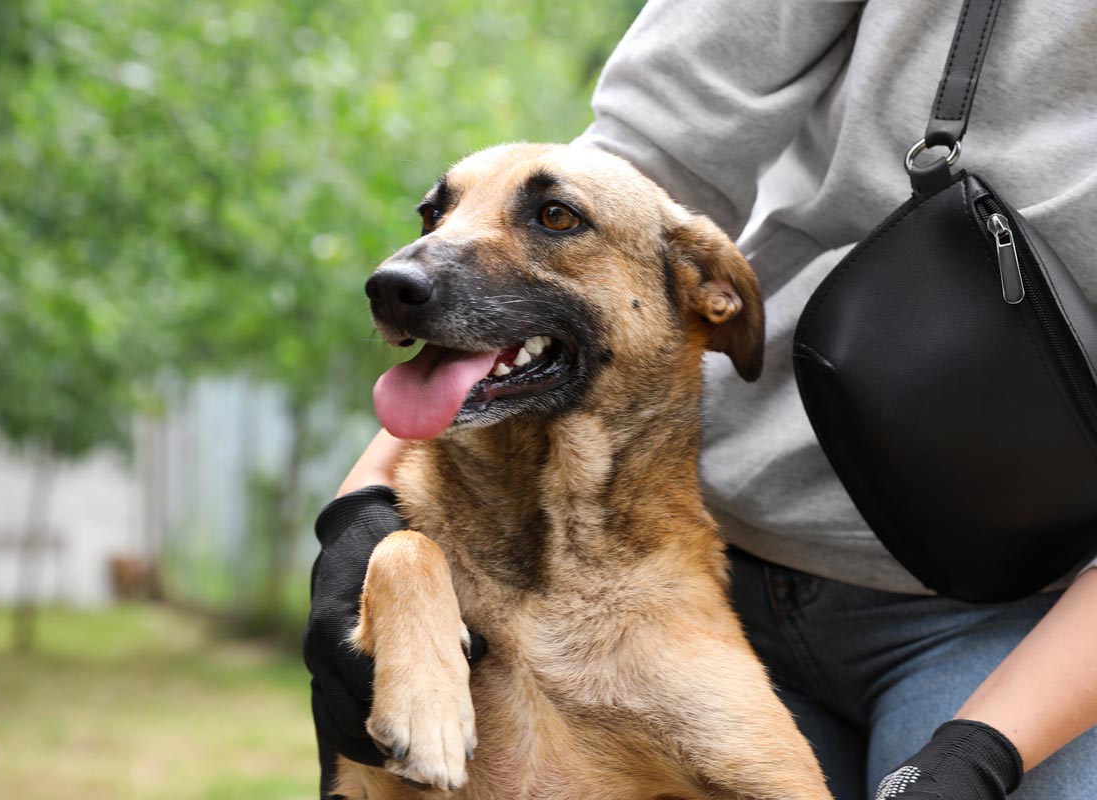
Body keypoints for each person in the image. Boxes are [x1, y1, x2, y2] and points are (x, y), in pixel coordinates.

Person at [304, 1, 1097, 798]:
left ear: (716, 302)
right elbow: (649, 142)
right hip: (720, 535)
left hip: (1009, 621)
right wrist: (362, 530)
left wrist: (978, 752)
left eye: (550, 218)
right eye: (439, 214)